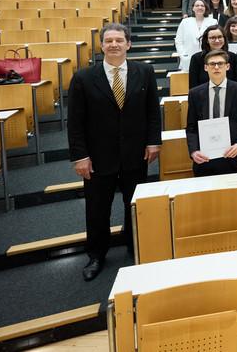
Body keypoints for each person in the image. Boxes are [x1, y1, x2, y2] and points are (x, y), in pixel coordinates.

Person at [68, 23, 160, 281]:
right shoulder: (83, 78)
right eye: (109, 40)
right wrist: (80, 156)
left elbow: (153, 112)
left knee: (133, 205)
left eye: (119, 40)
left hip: (135, 154)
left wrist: (154, 142)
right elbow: (75, 122)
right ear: (102, 45)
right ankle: (96, 255)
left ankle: (134, 247)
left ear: (128, 44)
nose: (114, 45)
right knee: (97, 209)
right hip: (97, 158)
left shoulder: (145, 72)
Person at [186, 50, 237, 176]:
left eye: (220, 63)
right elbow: (191, 127)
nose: (216, 67)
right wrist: (194, 151)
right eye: (212, 64)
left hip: (232, 155)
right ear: (206, 67)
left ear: (227, 66)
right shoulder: (195, 93)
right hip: (204, 157)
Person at [174, 0, 214, 70]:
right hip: (188, 58)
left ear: (205, 8)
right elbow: (178, 41)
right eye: (197, 5)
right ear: (193, 8)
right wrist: (183, 55)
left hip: (208, 57)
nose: (200, 7)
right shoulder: (185, 22)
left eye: (202, 6)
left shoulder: (213, 22)